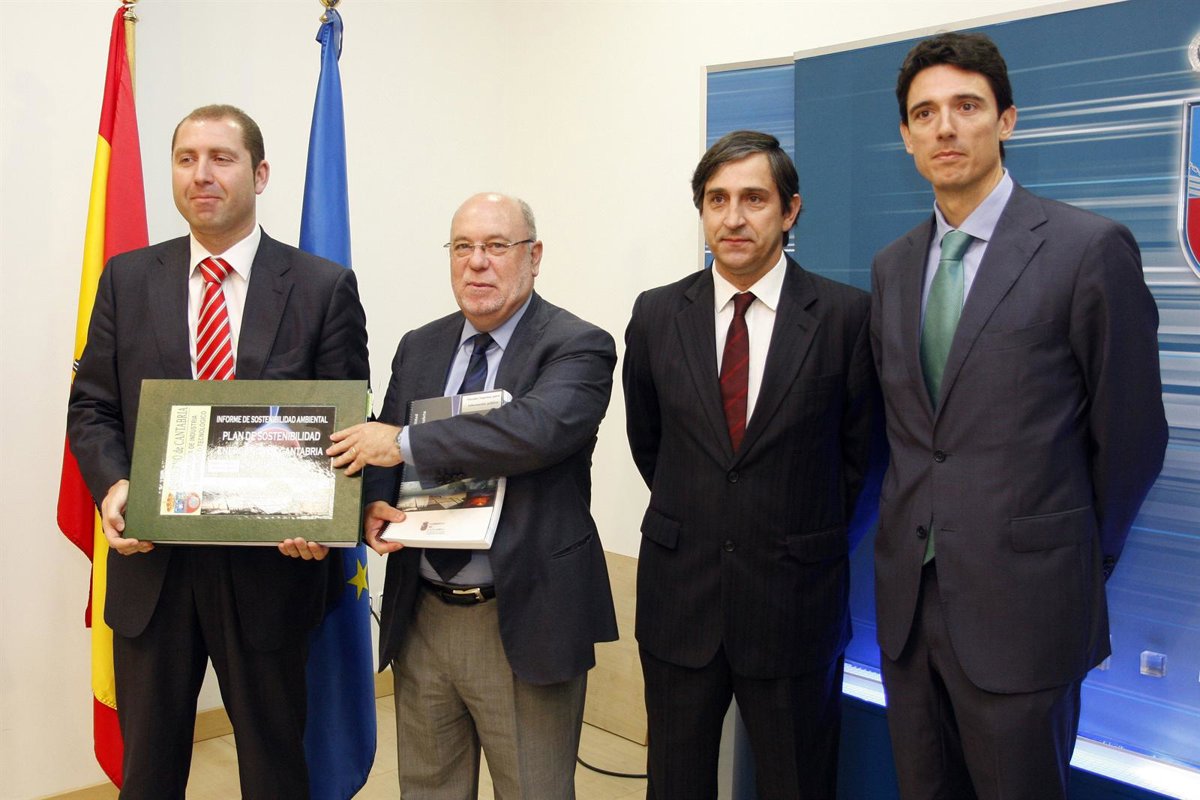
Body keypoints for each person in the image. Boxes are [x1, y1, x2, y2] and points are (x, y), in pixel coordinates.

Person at [871, 32, 1168, 799]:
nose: (945, 127)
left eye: (967, 106)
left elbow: (1132, 438)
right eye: (925, 113)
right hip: (909, 610)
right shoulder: (893, 266)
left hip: (1027, 609)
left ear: (1006, 119)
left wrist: (1076, 557)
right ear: (905, 136)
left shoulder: (1086, 248)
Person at [66, 104, 369, 799]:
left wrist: (321, 513)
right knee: (149, 774)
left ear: (260, 174)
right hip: (153, 569)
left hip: (272, 573)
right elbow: (93, 407)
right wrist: (115, 486)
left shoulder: (321, 287)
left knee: (275, 770)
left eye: (221, 158)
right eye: (186, 159)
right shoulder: (126, 279)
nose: (201, 174)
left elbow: (344, 424)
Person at [328, 192, 618, 798]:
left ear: (534, 256)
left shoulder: (578, 344)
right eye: (462, 247)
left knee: (534, 790)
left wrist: (402, 442)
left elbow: (531, 431)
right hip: (423, 612)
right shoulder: (421, 345)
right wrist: (375, 500)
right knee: (427, 788)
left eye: (496, 246)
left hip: (523, 615)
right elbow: (385, 436)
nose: (476, 262)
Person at [622, 130, 877, 799]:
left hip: (796, 605)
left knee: (798, 783)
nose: (733, 218)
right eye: (717, 199)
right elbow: (651, 444)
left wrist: (804, 540)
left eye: (754, 199)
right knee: (675, 784)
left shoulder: (847, 318)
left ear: (790, 211)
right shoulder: (656, 315)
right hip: (681, 601)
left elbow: (864, 462)